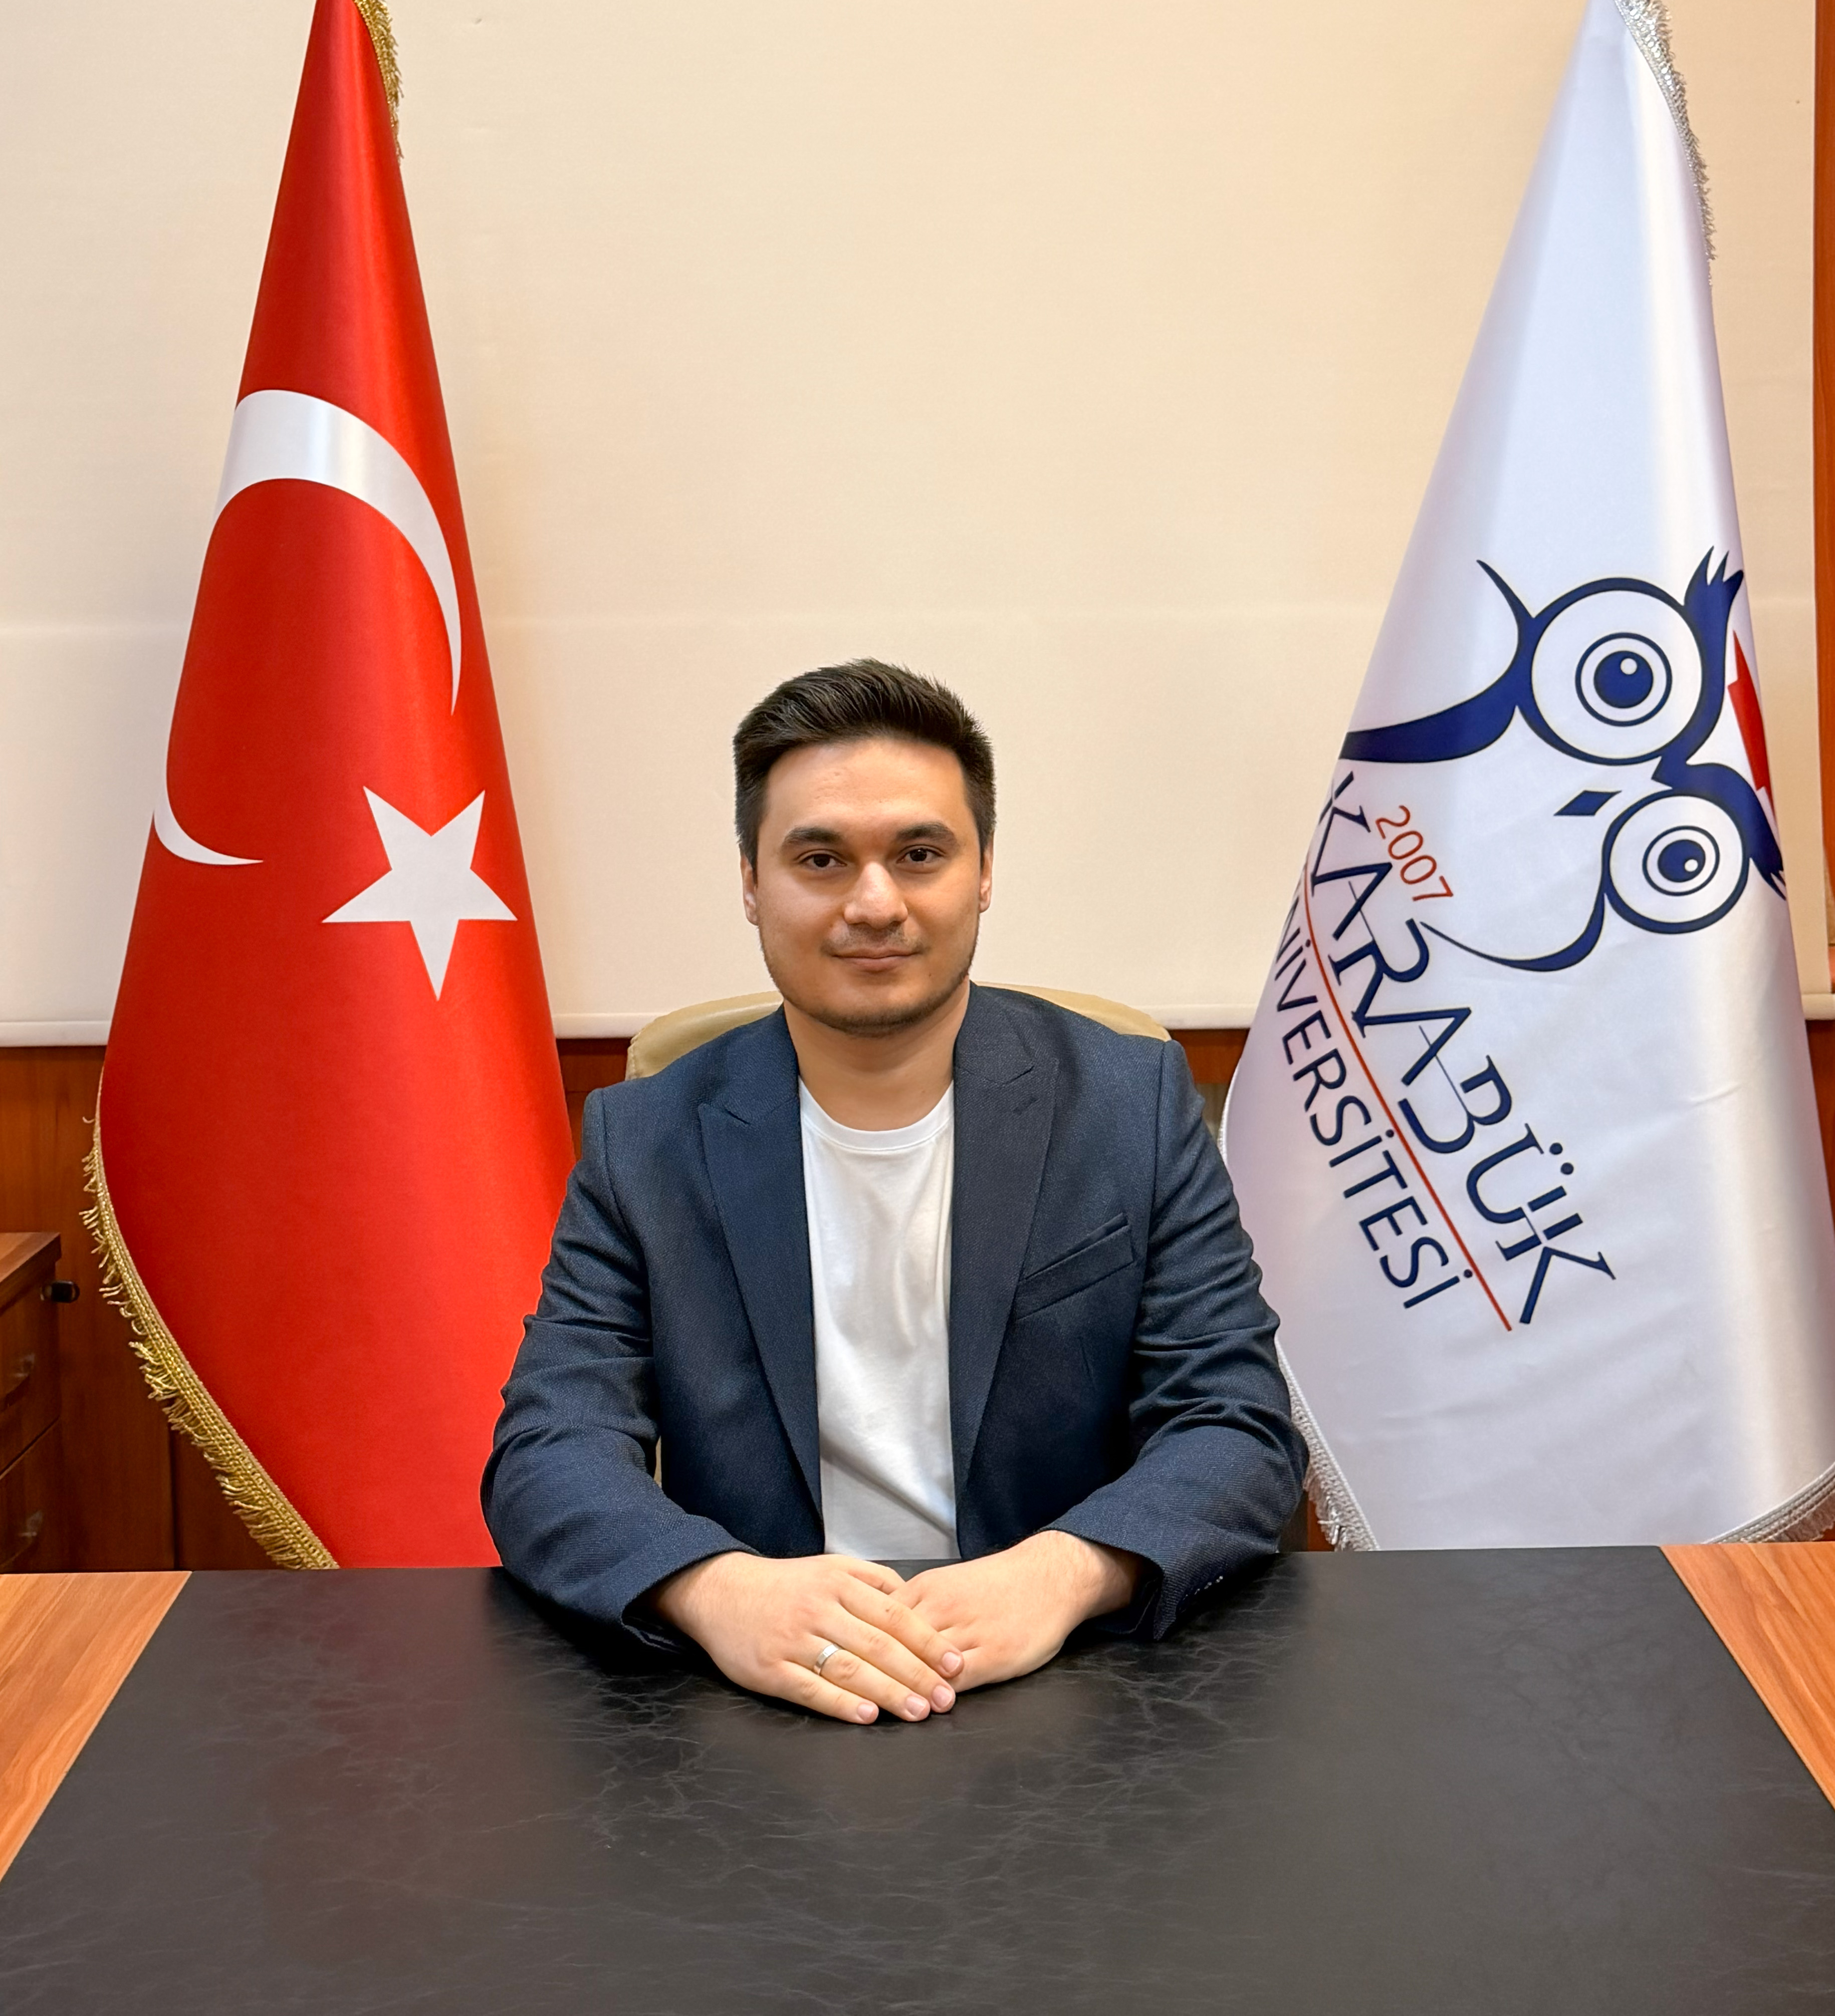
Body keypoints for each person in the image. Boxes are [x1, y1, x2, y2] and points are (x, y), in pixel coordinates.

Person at [484, 660, 1304, 1725]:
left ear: (983, 872)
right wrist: (713, 1588)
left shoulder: (1128, 1105)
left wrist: (1063, 1572)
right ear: (750, 882)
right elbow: (550, 1448)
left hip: (1063, 1678)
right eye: (820, 858)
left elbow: (1234, 1423)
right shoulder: (645, 1139)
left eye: (919, 854)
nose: (874, 903)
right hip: (765, 1688)